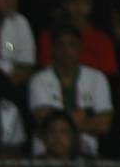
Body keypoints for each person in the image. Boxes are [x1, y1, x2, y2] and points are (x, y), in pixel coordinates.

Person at [27, 23, 112, 156]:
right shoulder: (38, 80)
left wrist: (60, 120)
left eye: (72, 44)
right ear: (53, 48)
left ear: (80, 48)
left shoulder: (97, 78)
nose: (66, 50)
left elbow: (103, 125)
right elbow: (44, 119)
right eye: (61, 44)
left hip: (87, 152)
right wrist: (86, 115)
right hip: (46, 153)